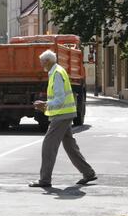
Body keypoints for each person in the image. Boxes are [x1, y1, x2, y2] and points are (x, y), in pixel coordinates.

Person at [28, 50, 97, 188]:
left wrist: (45, 104)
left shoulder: (57, 73)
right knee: (70, 146)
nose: (41, 64)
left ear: (47, 61)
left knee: (48, 146)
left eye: (42, 61)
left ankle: (44, 179)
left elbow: (59, 99)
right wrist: (46, 106)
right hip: (65, 113)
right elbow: (59, 98)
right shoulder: (56, 71)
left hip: (61, 115)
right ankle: (88, 173)